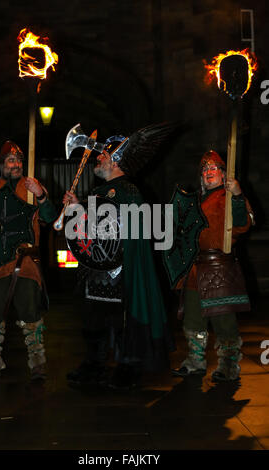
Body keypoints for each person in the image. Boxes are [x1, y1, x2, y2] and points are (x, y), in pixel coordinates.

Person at [64, 131, 175, 389]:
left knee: (120, 321)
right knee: (93, 320)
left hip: (121, 271)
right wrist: (76, 207)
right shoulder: (100, 190)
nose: (97, 159)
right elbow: (93, 229)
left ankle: (129, 366)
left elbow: (121, 230)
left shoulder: (130, 191)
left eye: (103, 156)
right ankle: (94, 365)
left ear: (115, 161)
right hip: (95, 271)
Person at [0, 140, 57, 381]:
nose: (16, 164)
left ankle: (38, 364)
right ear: (1, 165)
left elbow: (50, 217)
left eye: (19, 161)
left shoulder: (31, 187)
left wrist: (40, 195)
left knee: (30, 310)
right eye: (11, 161)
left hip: (25, 260)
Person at [172, 150, 253, 382]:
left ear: (223, 174)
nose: (209, 172)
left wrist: (237, 195)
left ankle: (228, 366)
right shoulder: (196, 201)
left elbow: (241, 223)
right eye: (205, 170)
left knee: (223, 320)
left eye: (213, 169)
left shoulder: (229, 197)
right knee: (193, 320)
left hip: (219, 268)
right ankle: (195, 361)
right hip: (195, 270)